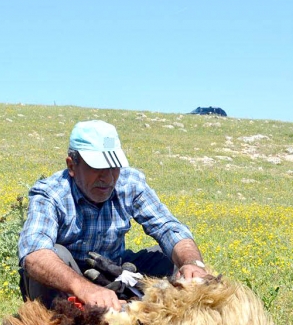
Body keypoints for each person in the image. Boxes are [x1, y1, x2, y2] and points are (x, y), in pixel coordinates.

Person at [18, 120, 210, 311]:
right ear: (72, 166)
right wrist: (84, 288)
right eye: (97, 167)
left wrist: (192, 263)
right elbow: (34, 253)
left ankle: (144, 309)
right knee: (55, 255)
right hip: (70, 281)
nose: (108, 178)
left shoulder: (129, 182)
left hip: (113, 272)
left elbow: (167, 227)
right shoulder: (51, 193)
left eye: (113, 167)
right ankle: (65, 321)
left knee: (168, 257)